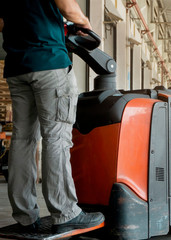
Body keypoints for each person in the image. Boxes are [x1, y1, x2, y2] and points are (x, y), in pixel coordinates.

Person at [0, 0, 104, 233]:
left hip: (17, 67)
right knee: (56, 138)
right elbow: (68, 8)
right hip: (49, 63)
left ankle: (25, 216)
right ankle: (66, 213)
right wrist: (85, 23)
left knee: (22, 140)